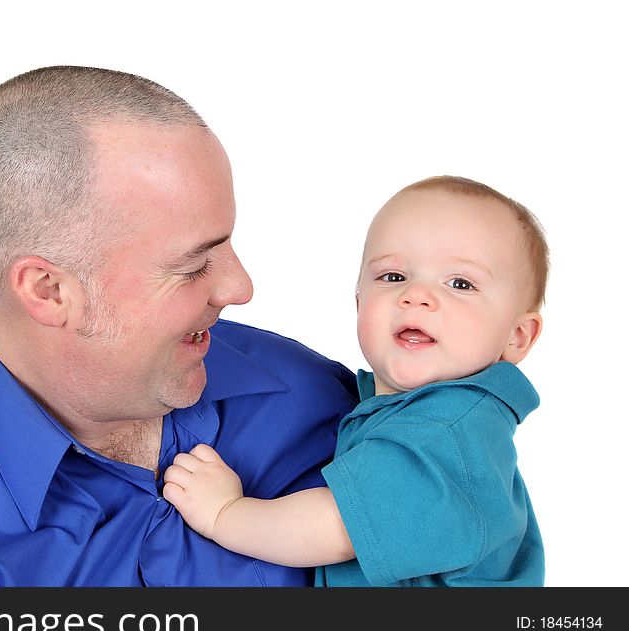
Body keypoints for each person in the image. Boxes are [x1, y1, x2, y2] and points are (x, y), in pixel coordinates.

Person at [0, 66, 358, 586]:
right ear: (49, 291)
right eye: (192, 266)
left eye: (228, 244)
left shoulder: (311, 395)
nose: (240, 288)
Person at [163, 175, 548, 586]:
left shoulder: (444, 431)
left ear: (517, 336)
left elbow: (336, 528)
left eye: (460, 284)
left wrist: (226, 514)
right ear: (359, 301)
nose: (417, 296)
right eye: (394, 277)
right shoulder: (410, 411)